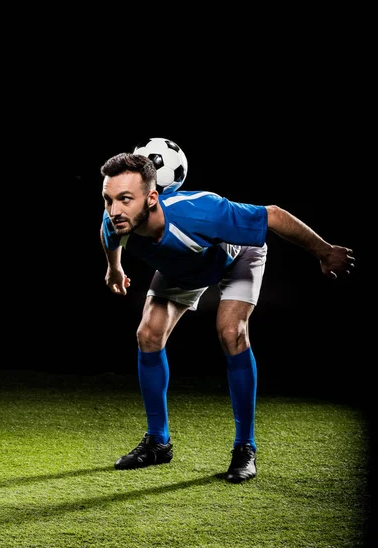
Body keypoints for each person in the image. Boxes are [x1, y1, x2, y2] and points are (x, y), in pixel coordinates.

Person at [99, 152, 355, 483]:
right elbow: (109, 238)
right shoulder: (116, 220)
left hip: (235, 256)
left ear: (151, 197)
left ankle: (244, 447)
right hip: (185, 267)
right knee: (148, 334)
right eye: (108, 200)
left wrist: (325, 251)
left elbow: (273, 216)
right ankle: (158, 444)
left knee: (231, 332)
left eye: (124, 199)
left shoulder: (202, 214)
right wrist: (114, 269)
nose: (114, 209)